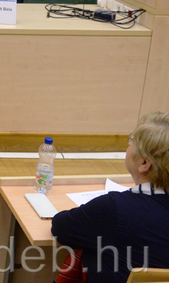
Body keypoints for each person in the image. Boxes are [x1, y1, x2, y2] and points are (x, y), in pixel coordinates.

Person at [51, 112, 169, 283]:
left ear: (144, 163)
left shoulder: (115, 208)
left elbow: (60, 228)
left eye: (132, 141)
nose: (128, 146)